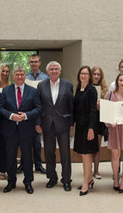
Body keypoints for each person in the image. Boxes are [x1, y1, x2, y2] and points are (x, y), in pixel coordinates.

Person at [0, 66, 42, 194]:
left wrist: (26, 115)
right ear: (13, 76)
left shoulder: (33, 91)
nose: (19, 77)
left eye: (22, 74)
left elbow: (39, 108)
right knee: (10, 156)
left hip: (26, 129)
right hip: (10, 130)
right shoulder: (6, 91)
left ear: (25, 76)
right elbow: (0, 108)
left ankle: (28, 182)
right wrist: (12, 116)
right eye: (17, 74)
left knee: (27, 157)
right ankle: (11, 182)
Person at [36, 61, 74, 191]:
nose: (54, 71)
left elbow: (71, 105)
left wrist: (72, 122)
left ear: (60, 71)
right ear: (47, 72)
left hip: (63, 124)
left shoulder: (68, 85)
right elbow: (38, 106)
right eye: (51, 69)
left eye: (56, 69)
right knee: (49, 152)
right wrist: (38, 123)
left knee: (65, 154)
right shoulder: (41, 86)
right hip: (47, 124)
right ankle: (52, 178)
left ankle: (66, 179)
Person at [72, 66, 99, 196]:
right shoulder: (78, 89)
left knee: (87, 155)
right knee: (83, 155)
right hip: (80, 127)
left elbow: (93, 111)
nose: (83, 76)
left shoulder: (92, 90)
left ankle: (85, 183)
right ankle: (89, 179)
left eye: (86, 74)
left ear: (90, 76)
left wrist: (91, 128)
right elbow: (75, 108)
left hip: (88, 126)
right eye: (81, 73)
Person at [23, 54, 48, 175]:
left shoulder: (45, 78)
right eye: (31, 62)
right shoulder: (25, 77)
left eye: (35, 62)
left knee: (37, 141)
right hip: (26, 112)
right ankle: (23, 164)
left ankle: (38, 165)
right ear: (29, 63)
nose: (33, 64)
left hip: (39, 112)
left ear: (39, 63)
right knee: (24, 141)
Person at [91, 66, 109, 179]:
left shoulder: (105, 90)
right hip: (89, 119)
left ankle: (96, 170)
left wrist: (102, 105)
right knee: (89, 146)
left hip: (100, 119)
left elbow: (109, 107)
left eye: (98, 74)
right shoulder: (87, 87)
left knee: (97, 146)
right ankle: (88, 169)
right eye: (95, 74)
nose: (96, 76)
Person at [0, 64, 11, 181]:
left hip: (8, 120)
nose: (5, 73)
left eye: (7, 71)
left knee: (8, 147)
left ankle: (7, 169)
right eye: (3, 71)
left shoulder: (11, 86)